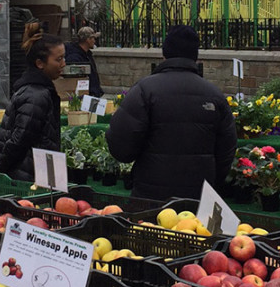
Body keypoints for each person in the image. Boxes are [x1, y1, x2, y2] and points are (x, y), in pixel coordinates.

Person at [106, 24, 237, 202]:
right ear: (196, 56)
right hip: (198, 200)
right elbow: (226, 152)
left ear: (164, 54)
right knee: (192, 231)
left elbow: (121, 145)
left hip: (149, 198)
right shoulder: (215, 95)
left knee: (149, 230)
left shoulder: (145, 90)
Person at [0, 23, 64, 180]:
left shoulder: (36, 90)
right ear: (40, 63)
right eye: (58, 59)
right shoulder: (36, 95)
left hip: (37, 171)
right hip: (30, 177)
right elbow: (18, 140)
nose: (63, 64)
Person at [64, 25, 103, 97]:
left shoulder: (87, 54)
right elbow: (74, 82)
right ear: (88, 40)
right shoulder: (74, 58)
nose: (94, 41)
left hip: (92, 94)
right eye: (93, 38)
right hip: (85, 97)